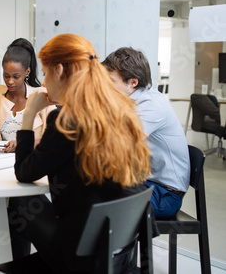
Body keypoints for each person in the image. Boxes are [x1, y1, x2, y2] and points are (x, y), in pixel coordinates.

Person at [8, 33, 152, 273]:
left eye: (45, 72)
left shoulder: (65, 120)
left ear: (60, 70)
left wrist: (28, 116)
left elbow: (24, 172)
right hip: (121, 254)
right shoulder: (121, 109)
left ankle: (16, 262)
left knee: (20, 201)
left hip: (80, 257)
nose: (43, 82)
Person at [102, 47, 190, 218]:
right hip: (146, 184)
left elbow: (116, 143)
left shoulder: (151, 106)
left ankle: (110, 244)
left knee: (97, 197)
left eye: (110, 81)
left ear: (132, 82)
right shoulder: (130, 100)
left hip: (164, 195)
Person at [0, 38, 55, 152]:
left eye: (16, 76)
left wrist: (23, 144)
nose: (10, 81)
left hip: (31, 160)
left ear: (27, 72)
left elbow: (54, 139)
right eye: (6, 75)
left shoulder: (42, 95)